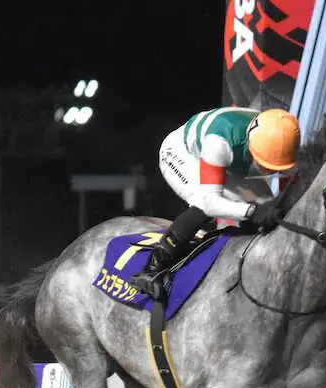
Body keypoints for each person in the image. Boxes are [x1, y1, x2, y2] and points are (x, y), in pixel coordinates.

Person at [128, 106, 301, 298]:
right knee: (204, 205)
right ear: (252, 145)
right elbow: (211, 203)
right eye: (264, 164)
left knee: (267, 205)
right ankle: (153, 267)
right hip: (183, 153)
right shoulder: (220, 143)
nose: (269, 172)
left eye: (274, 168)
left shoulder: (282, 143)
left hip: (227, 160)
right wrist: (252, 212)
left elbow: (285, 195)